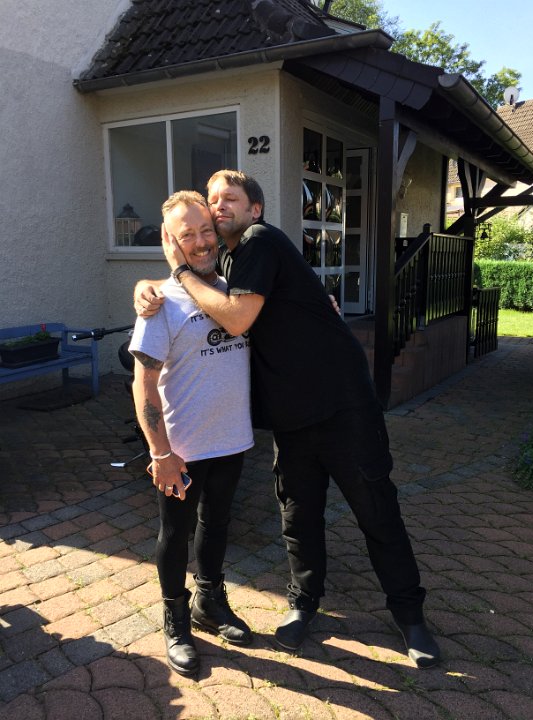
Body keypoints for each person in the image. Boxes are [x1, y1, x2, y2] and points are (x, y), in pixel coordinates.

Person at [135, 171, 441, 668]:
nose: (217, 208)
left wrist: (179, 270)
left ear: (255, 209)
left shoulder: (260, 240)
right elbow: (190, 295)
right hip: (290, 419)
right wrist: (149, 285)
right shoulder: (229, 265)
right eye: (211, 202)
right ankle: (303, 605)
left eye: (229, 199)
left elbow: (235, 317)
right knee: (299, 518)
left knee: (376, 512)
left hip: (342, 409)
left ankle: (410, 617)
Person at [130, 190, 254, 678]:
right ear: (171, 242)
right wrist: (159, 452)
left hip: (232, 438)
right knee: (175, 533)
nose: (201, 242)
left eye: (206, 230)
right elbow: (142, 382)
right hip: (181, 448)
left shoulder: (236, 290)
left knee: (217, 524)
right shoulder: (160, 302)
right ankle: (176, 620)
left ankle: (209, 602)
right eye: (188, 235)